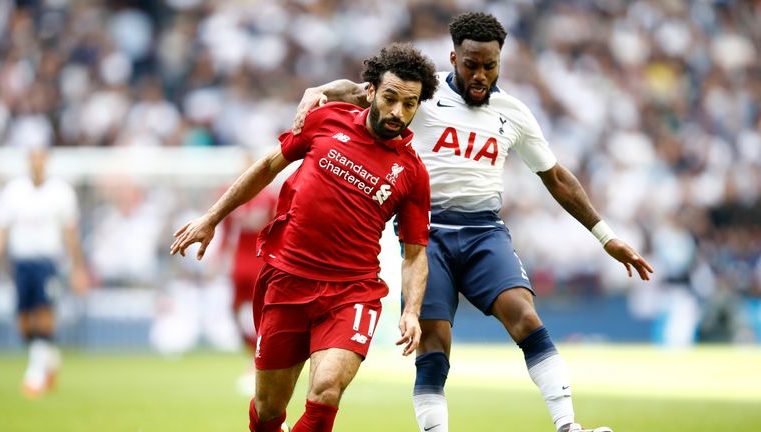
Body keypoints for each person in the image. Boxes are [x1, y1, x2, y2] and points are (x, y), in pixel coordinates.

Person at [294, 12, 654, 432]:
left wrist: (605, 237)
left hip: (485, 231)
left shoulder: (513, 112)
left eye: (490, 66)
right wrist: (318, 90)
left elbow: (555, 177)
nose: (480, 75)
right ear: (453, 58)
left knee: (526, 317)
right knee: (434, 341)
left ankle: (567, 425)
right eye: (471, 65)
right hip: (427, 235)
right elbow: (359, 91)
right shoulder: (419, 97)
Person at [170, 42, 439, 432]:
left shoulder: (413, 173)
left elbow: (414, 252)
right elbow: (266, 167)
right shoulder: (326, 120)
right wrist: (212, 218)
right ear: (371, 92)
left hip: (352, 291)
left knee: (326, 390)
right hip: (288, 279)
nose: (398, 112)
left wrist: (412, 310)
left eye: (410, 104)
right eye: (391, 98)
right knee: (267, 411)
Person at [0, 147, 89, 399]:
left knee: (44, 314)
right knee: (24, 324)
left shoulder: (61, 193)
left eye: (40, 159)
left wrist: (77, 268)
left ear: (46, 162)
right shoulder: (14, 192)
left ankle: (34, 375)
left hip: (47, 262)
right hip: (21, 263)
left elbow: (70, 233)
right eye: (33, 159)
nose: (37, 164)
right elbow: (2, 229)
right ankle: (51, 358)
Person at [219, 160, 278, 395]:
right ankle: (252, 352)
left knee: (263, 314)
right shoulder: (231, 193)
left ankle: (256, 364)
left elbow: (277, 226)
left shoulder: (270, 196)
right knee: (232, 310)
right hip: (238, 263)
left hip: (260, 261)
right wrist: (221, 255)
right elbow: (225, 227)